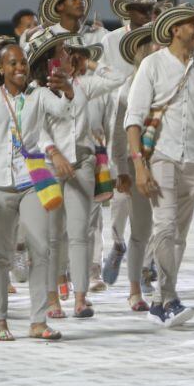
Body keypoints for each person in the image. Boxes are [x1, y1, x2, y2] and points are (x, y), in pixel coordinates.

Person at [0, 38, 73, 341]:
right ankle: (0, 320)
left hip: (31, 181)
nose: (20, 67)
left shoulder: (39, 94)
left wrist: (69, 90)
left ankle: (38, 321)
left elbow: (62, 111)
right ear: (0, 67)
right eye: (13, 63)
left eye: (23, 62)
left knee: (41, 249)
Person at [124, 4, 194, 327]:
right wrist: (139, 165)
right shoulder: (152, 65)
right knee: (165, 227)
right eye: (192, 25)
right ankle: (169, 297)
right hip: (161, 158)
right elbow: (133, 119)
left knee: (178, 235)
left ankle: (159, 300)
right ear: (174, 29)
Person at [33, 30, 125, 319]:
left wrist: (92, 61)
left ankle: (80, 298)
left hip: (83, 163)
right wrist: (54, 152)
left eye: (71, 53)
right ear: (50, 58)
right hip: (49, 165)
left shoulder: (84, 85)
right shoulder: (36, 89)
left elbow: (118, 78)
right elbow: (35, 129)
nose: (67, 56)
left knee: (79, 233)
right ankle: (52, 299)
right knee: (51, 236)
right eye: (62, 51)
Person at [107, 24, 159, 310]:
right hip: (134, 160)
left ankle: (161, 282)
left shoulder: (170, 80)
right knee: (140, 227)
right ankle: (134, 289)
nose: (157, 49)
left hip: (166, 160)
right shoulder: (128, 88)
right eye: (151, 46)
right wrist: (121, 169)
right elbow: (118, 132)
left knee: (165, 228)